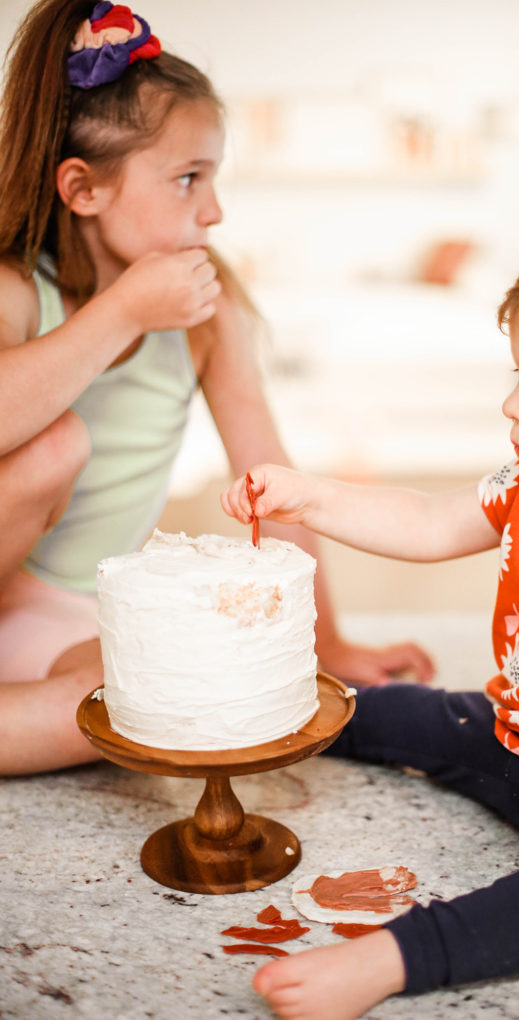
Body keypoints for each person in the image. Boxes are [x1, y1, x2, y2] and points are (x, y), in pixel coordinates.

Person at [223, 213, 519, 1020]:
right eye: (518, 378)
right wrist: (313, 495)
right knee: (395, 714)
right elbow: (430, 522)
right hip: (511, 731)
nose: (512, 405)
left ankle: (399, 956)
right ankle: (237, 714)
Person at [0, 0, 433, 777]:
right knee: (51, 445)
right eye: (187, 179)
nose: (215, 210)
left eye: (215, 177)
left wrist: (324, 644)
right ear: (82, 188)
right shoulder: (19, 291)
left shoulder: (208, 313)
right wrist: (122, 311)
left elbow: (272, 475)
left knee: (167, 686)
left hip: (74, 616)